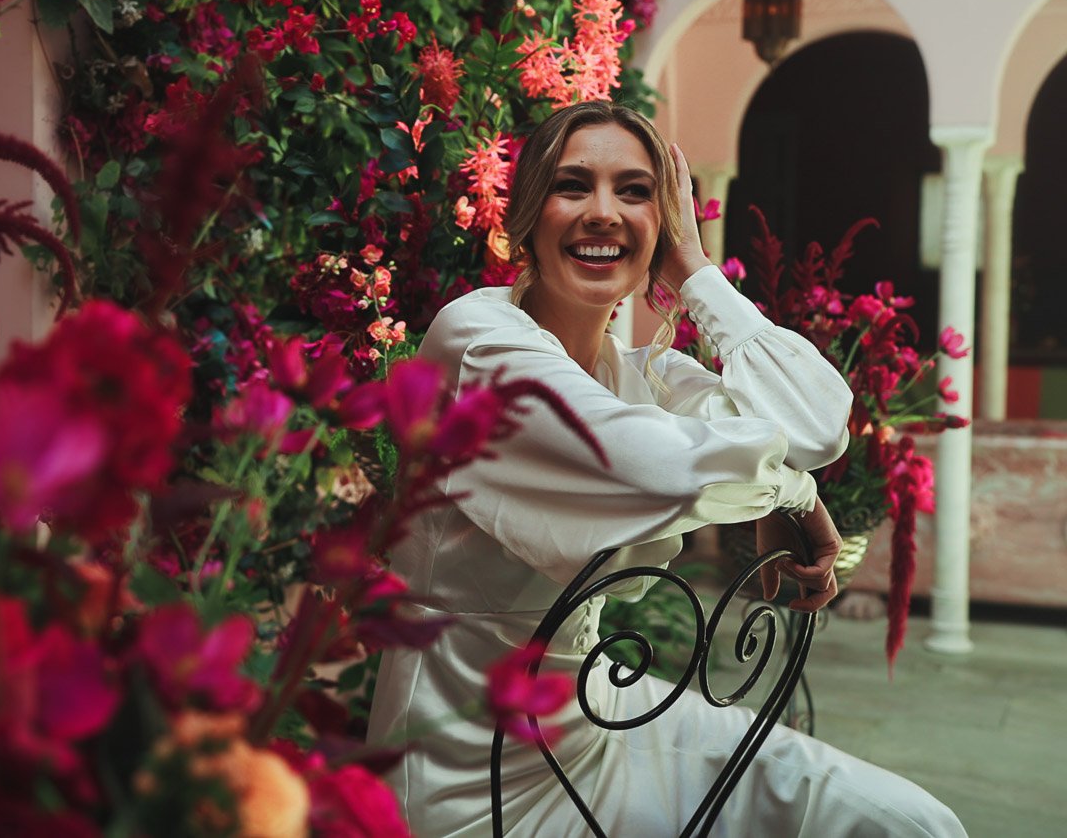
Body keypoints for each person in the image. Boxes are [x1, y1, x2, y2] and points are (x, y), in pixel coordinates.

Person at [365, 101, 966, 837]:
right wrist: (793, 495)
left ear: (666, 222)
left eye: (635, 191)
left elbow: (816, 423)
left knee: (909, 824)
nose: (602, 213)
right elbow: (654, 467)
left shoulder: (637, 372)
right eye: (572, 185)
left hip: (595, 719)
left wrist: (697, 273)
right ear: (524, 217)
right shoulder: (479, 343)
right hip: (464, 772)